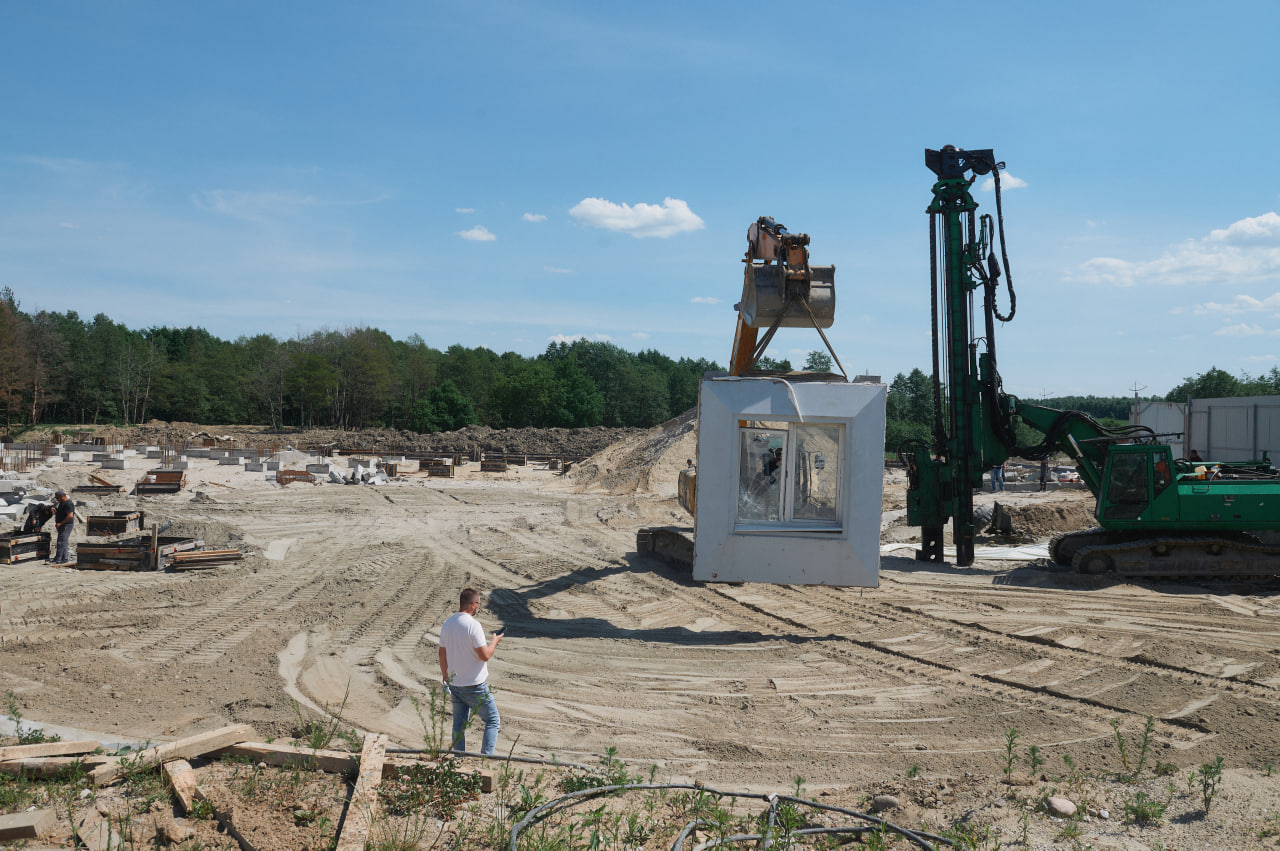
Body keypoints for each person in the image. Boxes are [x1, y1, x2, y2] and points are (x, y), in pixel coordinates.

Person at [438, 588, 503, 755]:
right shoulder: (473, 625)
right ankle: (485, 759)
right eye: (478, 604)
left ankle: (457, 760)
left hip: (455, 684)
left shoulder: (448, 623)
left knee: (458, 724)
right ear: (473, 604)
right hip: (474, 685)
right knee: (492, 720)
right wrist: (494, 641)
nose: (478, 607)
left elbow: (442, 652)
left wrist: (446, 677)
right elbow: (485, 655)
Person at [52, 491, 75, 564]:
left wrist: (60, 523)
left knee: (61, 542)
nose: (57, 500)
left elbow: (70, 516)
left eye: (58, 498)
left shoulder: (68, 504)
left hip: (66, 525)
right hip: (62, 525)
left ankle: (58, 559)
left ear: (62, 496)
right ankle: (64, 558)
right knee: (63, 541)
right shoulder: (62, 503)